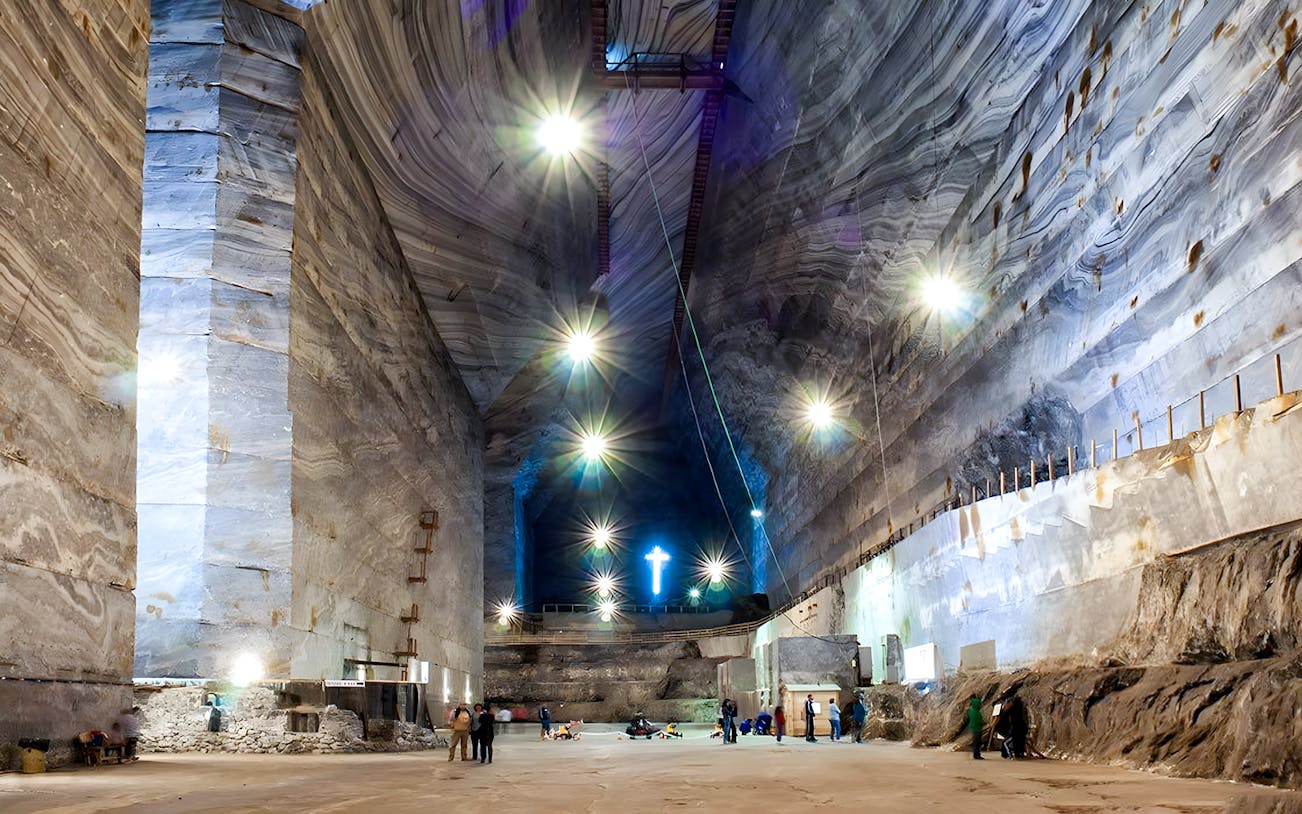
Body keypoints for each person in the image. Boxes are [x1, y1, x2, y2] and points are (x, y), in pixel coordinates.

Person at [968, 695, 984, 759]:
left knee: (977, 742)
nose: (980, 705)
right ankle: (976, 754)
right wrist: (981, 723)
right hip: (976, 728)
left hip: (977, 728)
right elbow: (976, 720)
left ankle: (977, 754)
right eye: (979, 704)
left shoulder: (974, 710)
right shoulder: (974, 712)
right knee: (977, 742)